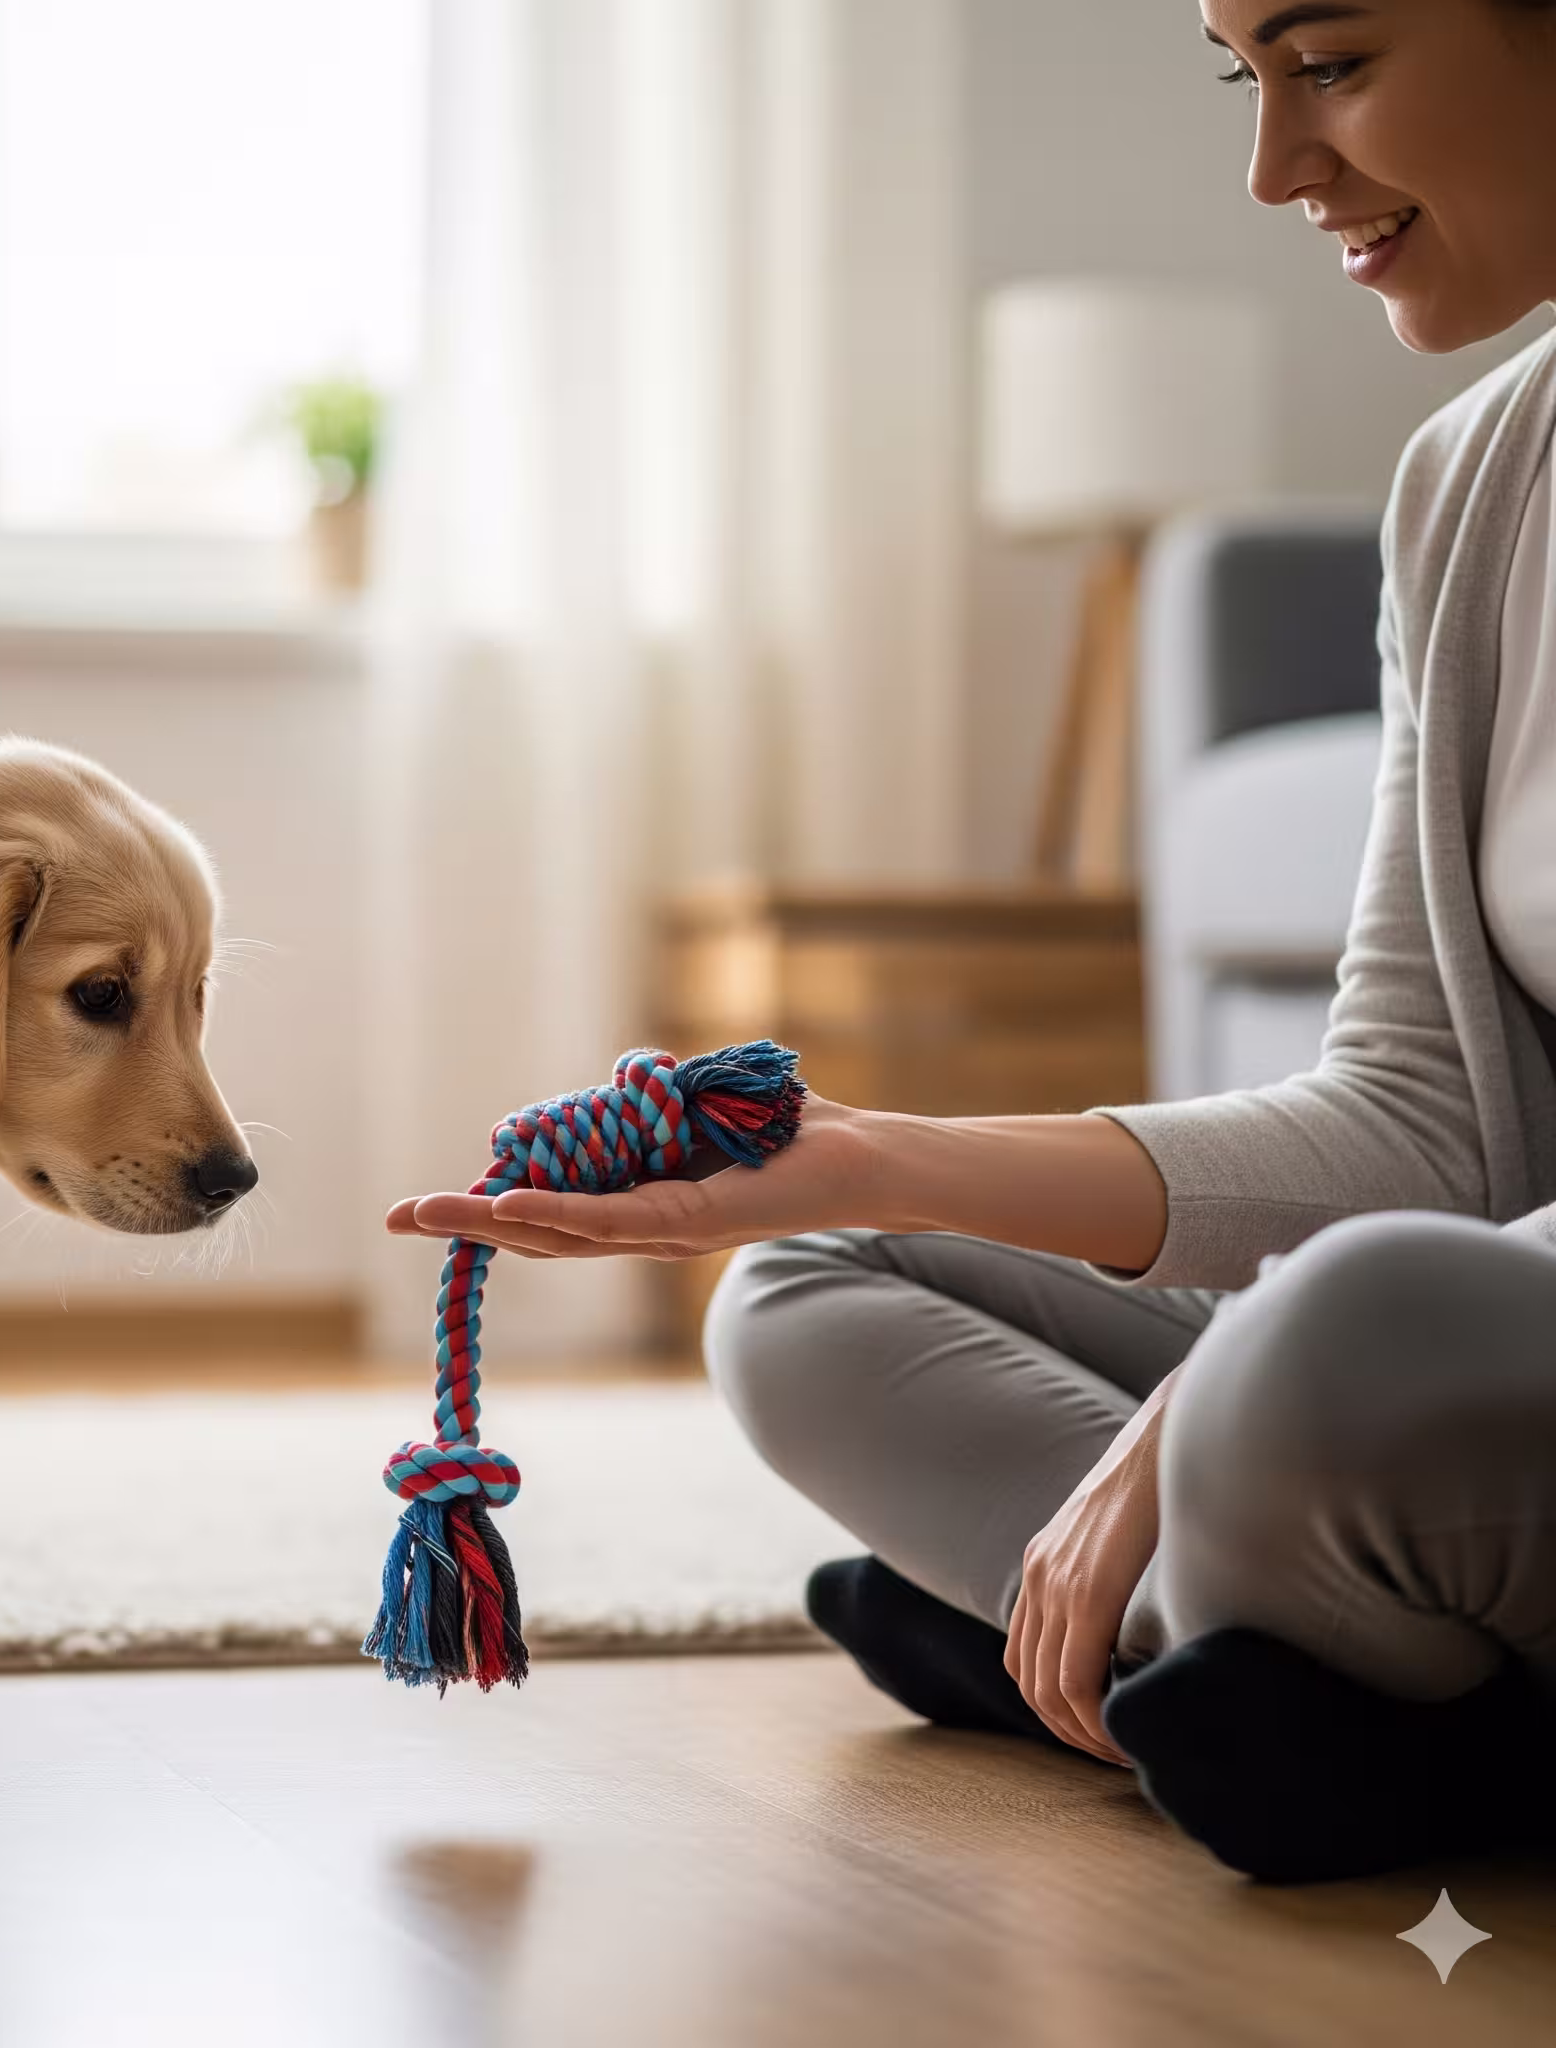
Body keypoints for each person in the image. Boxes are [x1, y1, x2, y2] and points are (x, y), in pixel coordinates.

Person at [388, 0, 1556, 1884]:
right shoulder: (1477, 480)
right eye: (1237, 77)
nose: (1272, 168)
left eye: (1329, 63)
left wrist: (1203, 1396)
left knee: (1325, 1346)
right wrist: (858, 1151)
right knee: (811, 1280)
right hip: (1468, 1349)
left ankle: (1119, 1660)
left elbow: (1385, 1266)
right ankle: (1268, 1686)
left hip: (1415, 1361)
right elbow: (1427, 1126)